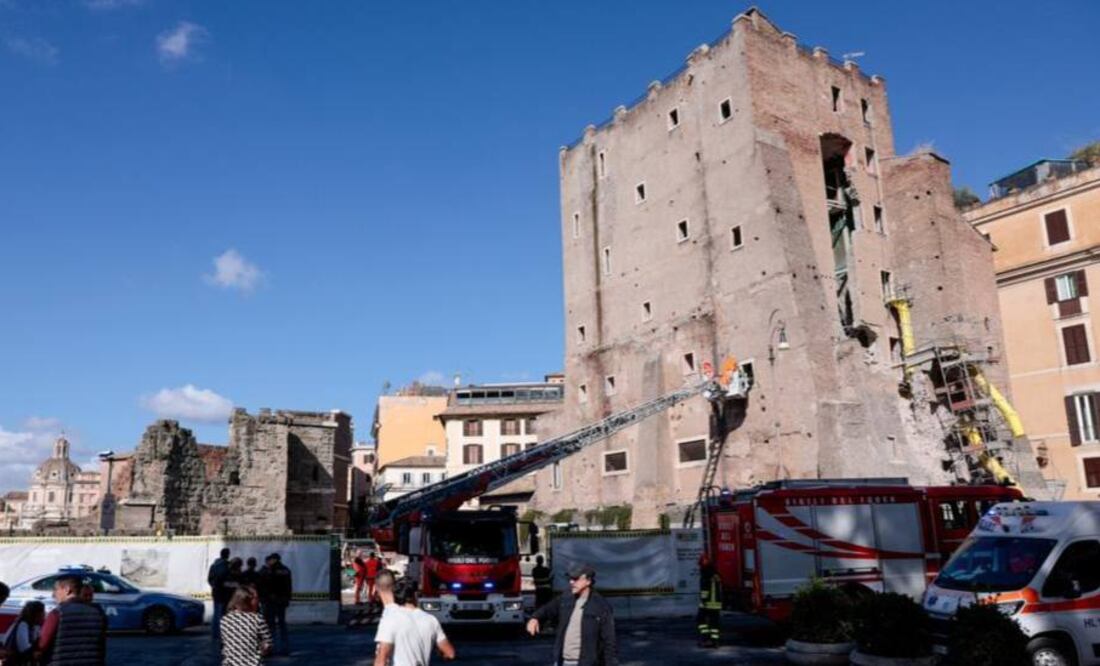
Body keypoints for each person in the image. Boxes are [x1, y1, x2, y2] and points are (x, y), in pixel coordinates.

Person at [528, 563, 617, 666]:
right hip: (563, 662)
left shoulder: (600, 606)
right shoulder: (566, 598)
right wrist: (535, 618)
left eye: (576, 579)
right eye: (570, 578)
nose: (571, 582)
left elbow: (609, 642)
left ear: (588, 581)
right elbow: (548, 609)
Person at [374, 578, 454, 666]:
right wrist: (439, 651)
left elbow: (381, 661)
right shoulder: (431, 620)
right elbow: (450, 653)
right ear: (415, 596)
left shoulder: (390, 619)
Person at [38, 575, 108, 665]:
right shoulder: (99, 613)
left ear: (67, 590)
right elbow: (101, 646)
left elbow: (42, 645)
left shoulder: (57, 614)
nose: (53, 594)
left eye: (56, 589)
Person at [219, 586, 272, 666]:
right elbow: (268, 644)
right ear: (247, 601)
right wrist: (261, 650)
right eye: (256, 598)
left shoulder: (225, 620)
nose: (258, 601)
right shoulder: (257, 619)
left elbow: (225, 643)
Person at [257, 552, 292, 656]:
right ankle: (285, 648)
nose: (268, 562)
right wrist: (287, 599)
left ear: (274, 560)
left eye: (269, 560)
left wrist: (264, 598)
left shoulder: (270, 570)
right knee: (282, 624)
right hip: (282, 601)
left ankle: (270, 648)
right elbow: (289, 586)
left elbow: (266, 586)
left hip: (271, 601)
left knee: (270, 626)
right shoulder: (286, 570)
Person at [3, 600, 45, 666]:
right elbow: (24, 649)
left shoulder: (34, 626)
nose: (44, 615)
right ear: (36, 614)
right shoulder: (23, 625)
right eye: (42, 613)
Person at [696, 553, 722, 648]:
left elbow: (704, 589)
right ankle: (715, 641)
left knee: (700, 619)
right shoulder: (715, 573)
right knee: (714, 622)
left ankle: (706, 638)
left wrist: (703, 601)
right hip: (716, 602)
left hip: (708, 602)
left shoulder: (706, 573)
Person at [209, 547, 232, 643]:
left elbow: (209, 579)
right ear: (228, 555)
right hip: (225, 593)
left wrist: (214, 586)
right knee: (223, 614)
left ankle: (215, 634)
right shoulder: (227, 565)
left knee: (216, 614)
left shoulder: (214, 565)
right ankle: (222, 634)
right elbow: (228, 580)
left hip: (216, 592)